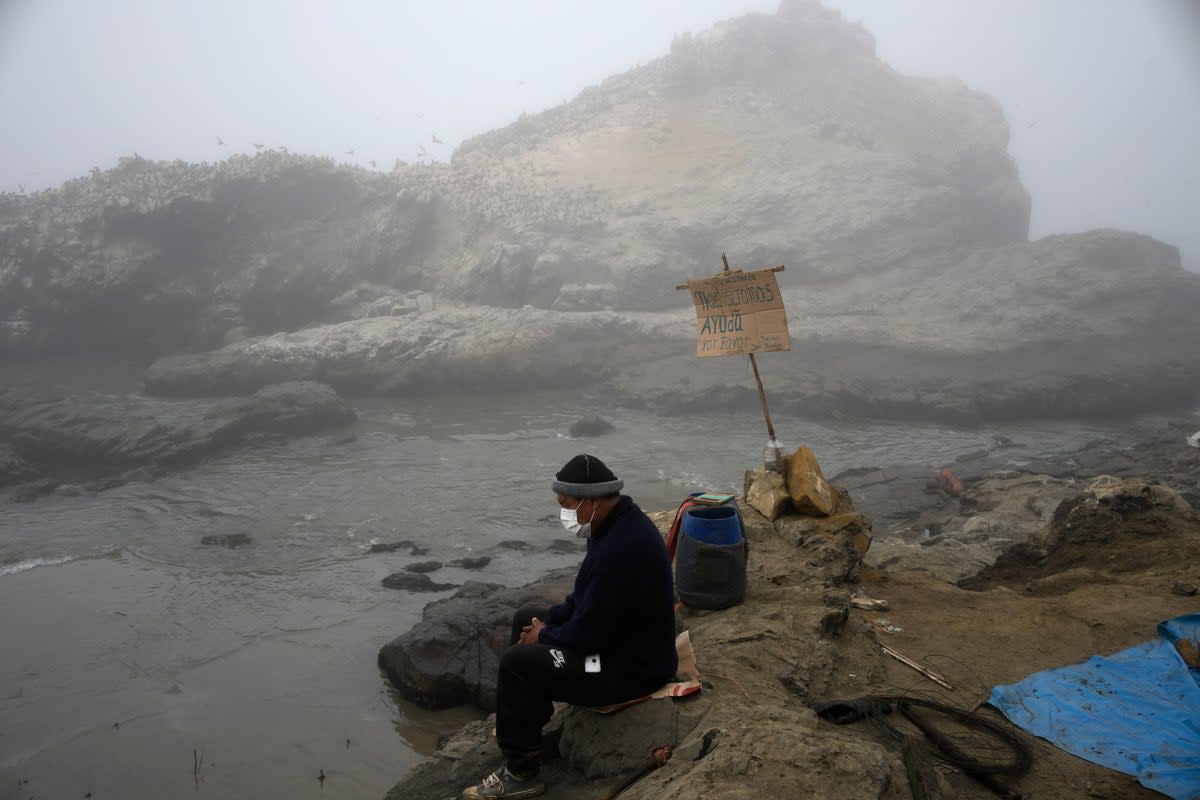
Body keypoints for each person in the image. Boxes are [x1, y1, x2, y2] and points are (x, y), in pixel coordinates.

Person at [462, 454, 678, 799]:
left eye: (567, 505)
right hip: (615, 644)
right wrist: (546, 622)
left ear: (591, 501)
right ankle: (528, 727)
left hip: (629, 668)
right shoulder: (610, 526)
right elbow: (582, 599)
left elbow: (590, 634)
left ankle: (521, 772)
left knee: (519, 664)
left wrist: (545, 635)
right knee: (527, 617)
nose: (564, 514)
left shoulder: (622, 548)